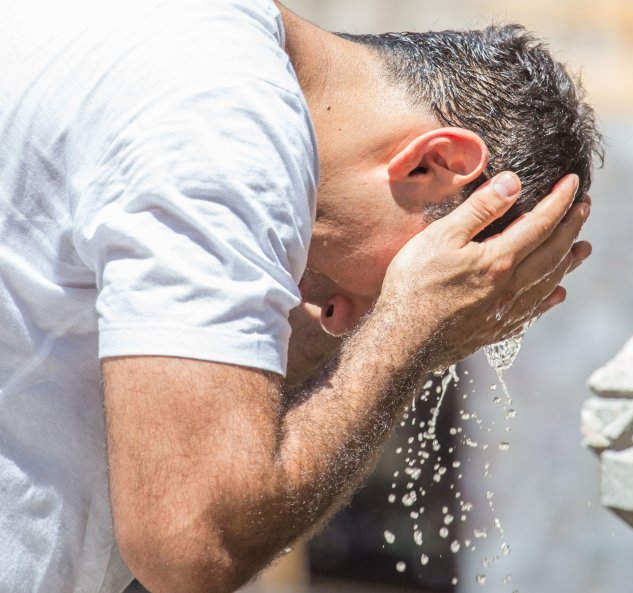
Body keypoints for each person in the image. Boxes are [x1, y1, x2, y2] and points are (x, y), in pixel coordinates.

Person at [0, 0, 602, 591]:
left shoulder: (192, 53)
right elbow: (193, 544)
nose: (343, 320)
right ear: (433, 165)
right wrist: (411, 331)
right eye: (389, 288)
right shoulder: (228, 123)